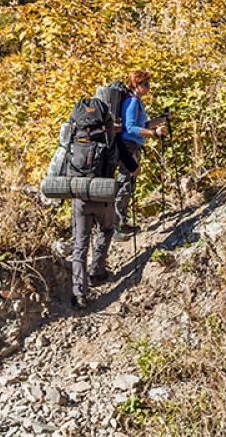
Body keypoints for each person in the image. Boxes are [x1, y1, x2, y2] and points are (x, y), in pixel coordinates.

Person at [71, 120, 137, 310]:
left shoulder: (75, 137)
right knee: (106, 229)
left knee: (80, 244)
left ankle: (79, 294)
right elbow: (133, 168)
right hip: (104, 196)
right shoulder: (112, 139)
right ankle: (97, 271)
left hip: (80, 198)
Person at [114, 70, 166, 240]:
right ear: (136, 85)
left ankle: (122, 222)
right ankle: (117, 226)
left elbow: (143, 124)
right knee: (125, 184)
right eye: (145, 84)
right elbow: (131, 128)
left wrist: (161, 119)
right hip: (128, 146)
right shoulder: (132, 101)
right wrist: (154, 134)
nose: (148, 87)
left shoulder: (136, 101)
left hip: (132, 146)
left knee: (128, 183)